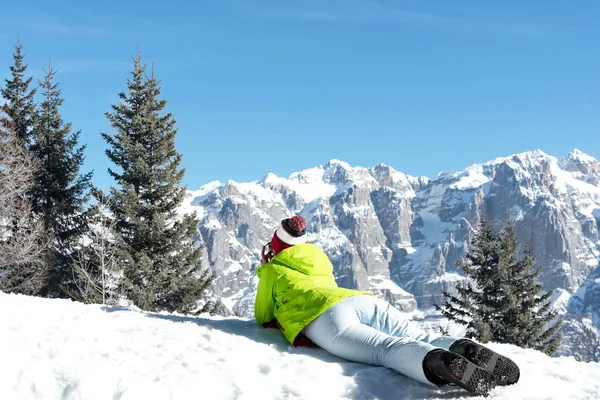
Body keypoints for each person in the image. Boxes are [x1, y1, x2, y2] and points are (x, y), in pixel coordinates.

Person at [254, 215, 520, 396]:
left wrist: (267, 267)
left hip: (325, 317)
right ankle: (465, 348)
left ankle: (443, 364)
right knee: (419, 335)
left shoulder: (274, 270)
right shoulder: (317, 260)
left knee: (385, 349)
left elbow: (262, 314)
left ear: (275, 247)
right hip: (360, 300)